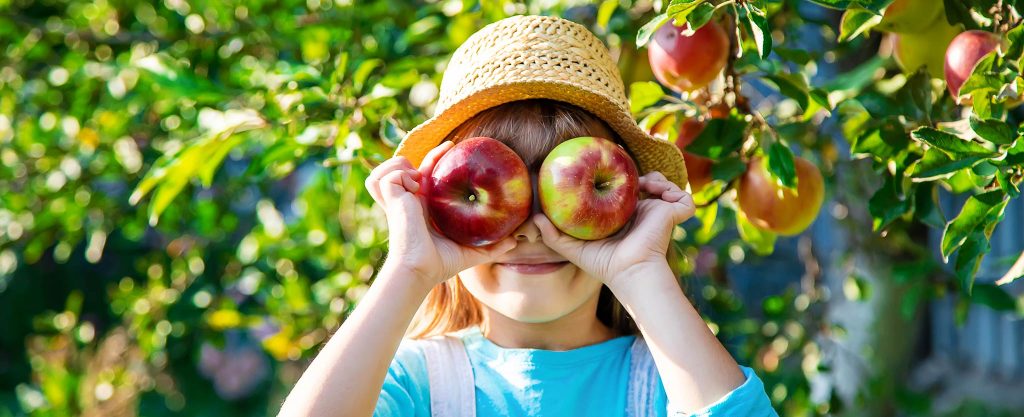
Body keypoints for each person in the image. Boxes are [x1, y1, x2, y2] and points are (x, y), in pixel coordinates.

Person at [278, 15, 777, 417]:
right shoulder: (417, 385)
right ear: (439, 206)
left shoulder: (678, 383)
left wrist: (640, 270)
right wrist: (408, 268)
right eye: (498, 195)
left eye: (561, 192)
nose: (533, 228)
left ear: (627, 202)